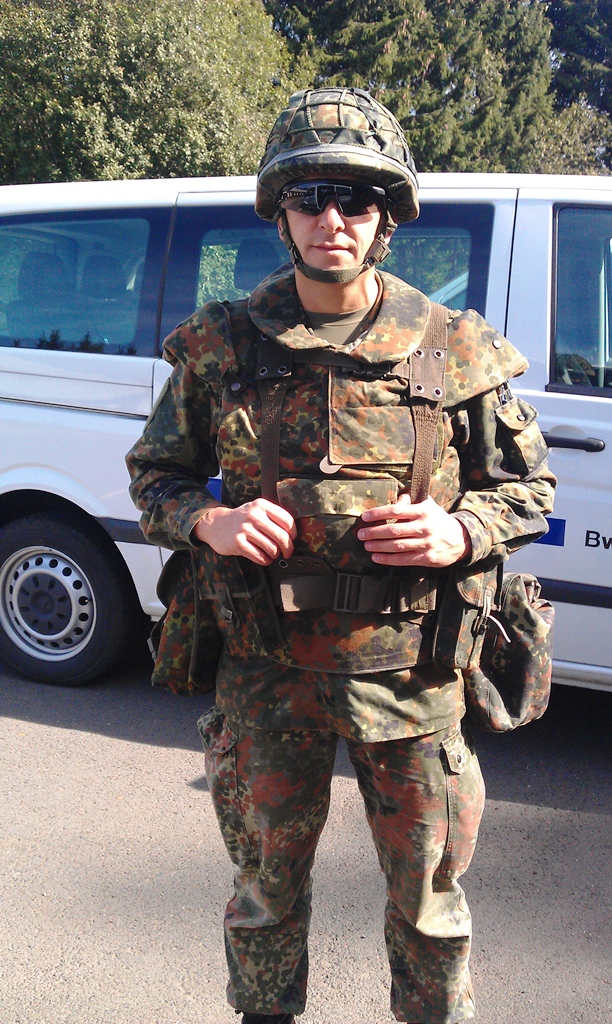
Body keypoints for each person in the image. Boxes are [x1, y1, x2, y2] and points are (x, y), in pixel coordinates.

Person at [126, 88, 555, 1024]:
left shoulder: (452, 348)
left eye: (355, 199)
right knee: (264, 894)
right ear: (280, 212)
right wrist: (209, 522)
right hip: (266, 671)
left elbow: (529, 490)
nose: (332, 219)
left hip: (411, 677)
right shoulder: (221, 345)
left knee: (431, 903)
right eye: (310, 196)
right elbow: (155, 476)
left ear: (386, 217)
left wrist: (462, 531)